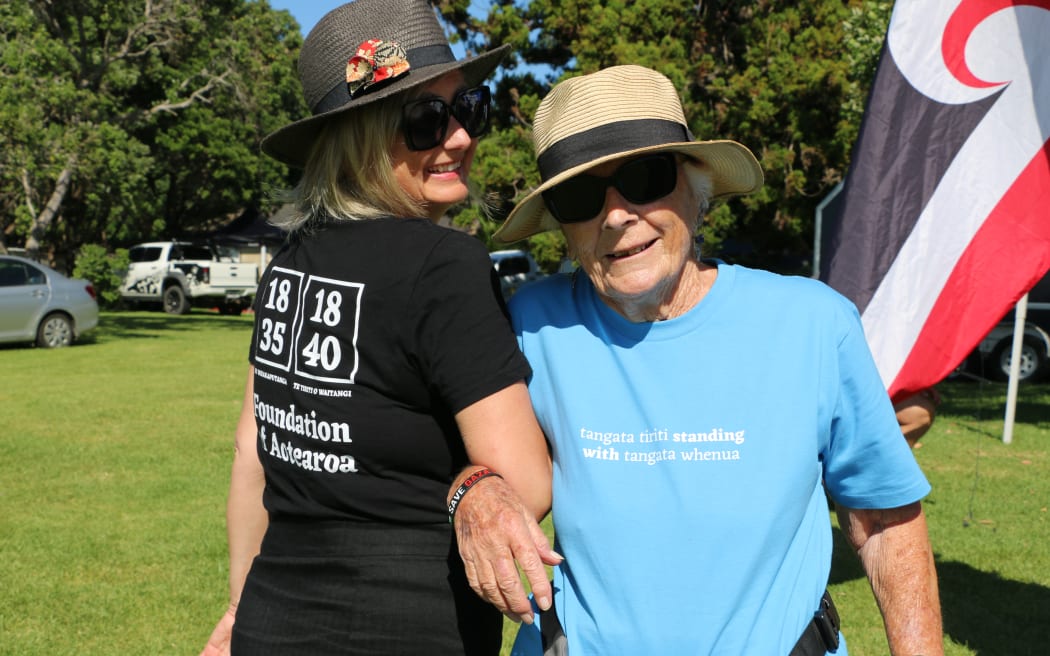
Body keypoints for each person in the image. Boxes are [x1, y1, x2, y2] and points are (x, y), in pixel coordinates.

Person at [451, 65, 943, 655]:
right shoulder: (532, 322)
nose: (615, 214)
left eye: (644, 176)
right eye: (580, 195)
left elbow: (886, 525)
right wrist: (472, 489)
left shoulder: (813, 323)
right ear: (562, 224)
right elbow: (451, 460)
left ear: (696, 185)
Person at [199, 1, 554, 654]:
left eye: (465, 109)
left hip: (271, 622)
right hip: (411, 628)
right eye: (424, 121)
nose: (460, 139)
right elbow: (523, 483)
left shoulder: (287, 262)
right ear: (357, 140)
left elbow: (252, 454)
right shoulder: (445, 265)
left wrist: (236, 609)